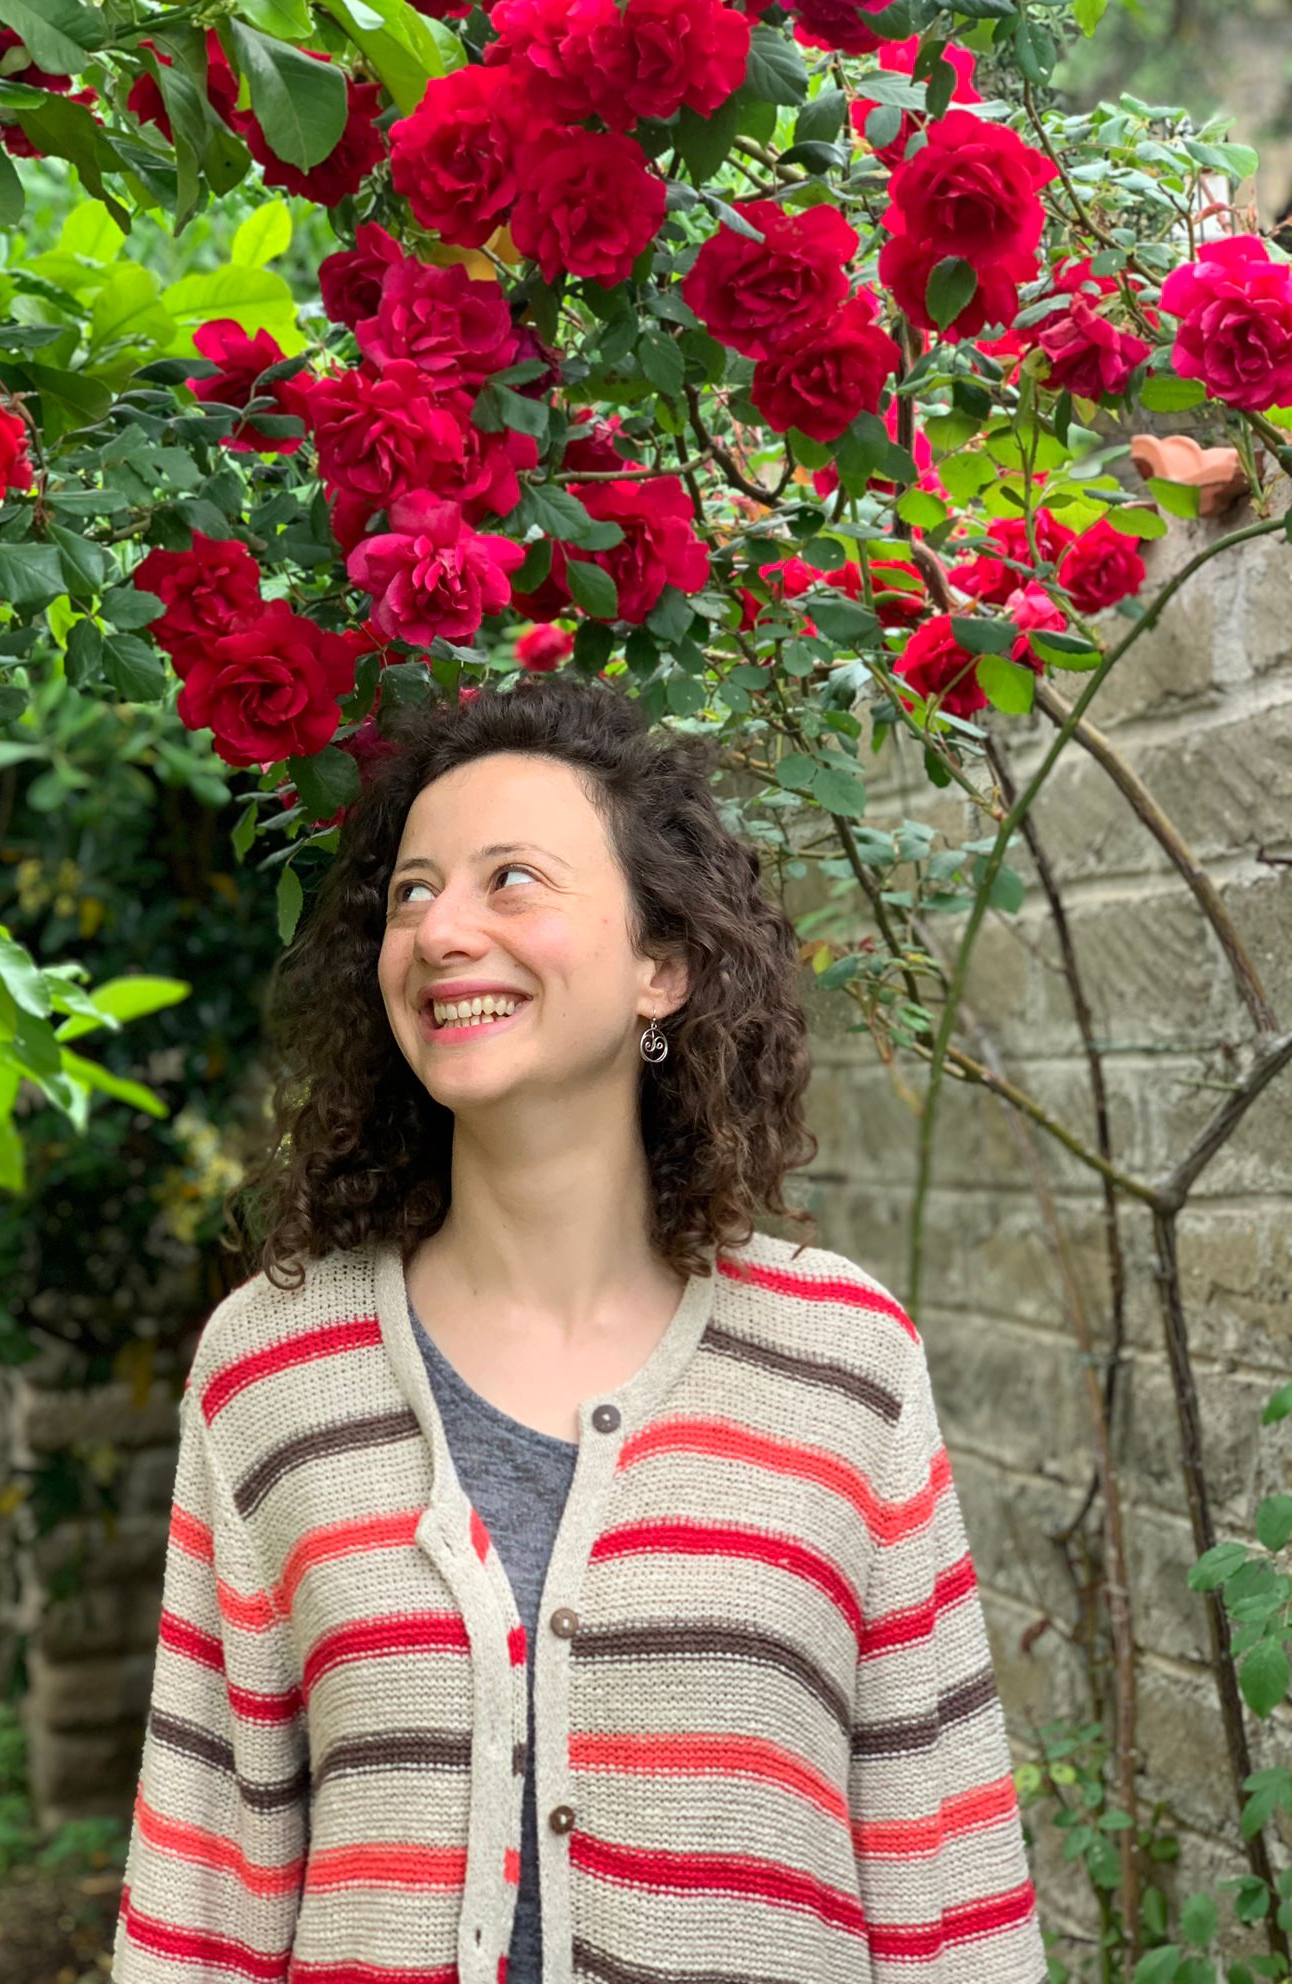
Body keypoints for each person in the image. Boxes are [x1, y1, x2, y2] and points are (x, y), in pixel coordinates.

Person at [111, 674, 1046, 1982]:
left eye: (511, 880)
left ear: (660, 966)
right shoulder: (273, 1370)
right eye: (412, 891)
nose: (441, 931)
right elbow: (203, 1892)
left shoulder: (845, 1366)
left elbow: (949, 1881)